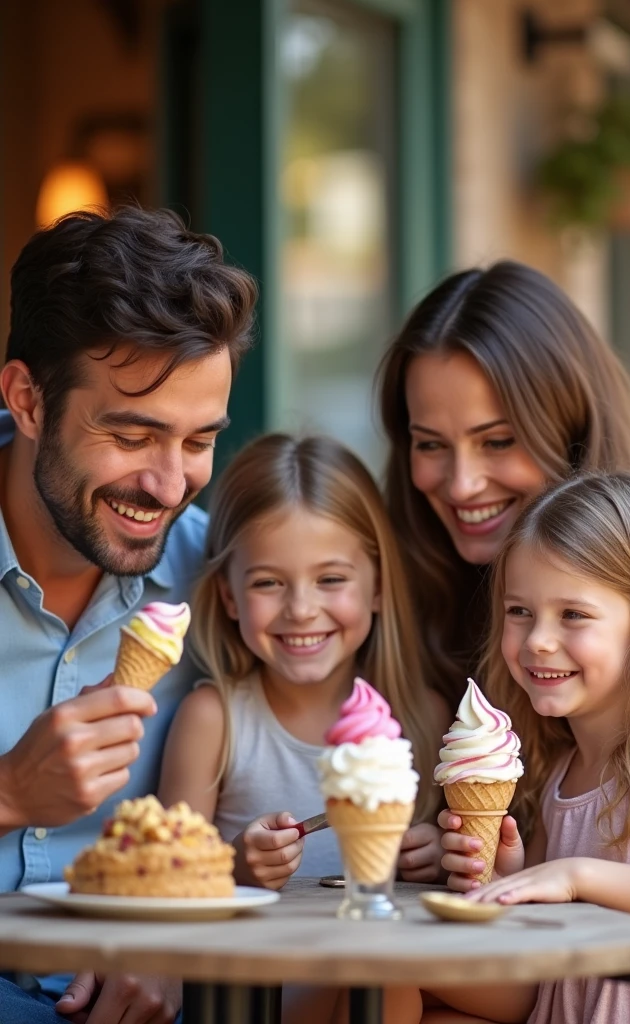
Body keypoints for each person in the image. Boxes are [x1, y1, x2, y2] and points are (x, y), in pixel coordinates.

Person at [0, 206, 256, 1022]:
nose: (168, 483)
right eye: (133, 434)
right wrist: (8, 792)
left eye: (197, 441)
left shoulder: (225, 584)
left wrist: (171, 941)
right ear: (28, 401)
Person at [425, 473, 630, 1024]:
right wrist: (506, 878)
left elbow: (575, 882)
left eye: (573, 614)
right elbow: (547, 951)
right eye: (519, 611)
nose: (538, 639)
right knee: (391, 986)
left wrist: (573, 875)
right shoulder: (561, 769)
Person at [377, 261, 630, 708]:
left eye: (497, 441)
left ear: (572, 430)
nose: (461, 485)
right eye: (431, 445)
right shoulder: (381, 606)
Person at [159, 433, 447, 890]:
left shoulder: (425, 717)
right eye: (268, 583)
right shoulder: (213, 720)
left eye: (330, 578)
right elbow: (166, 879)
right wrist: (232, 867)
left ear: (377, 587)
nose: (301, 609)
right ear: (229, 596)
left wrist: (437, 855)